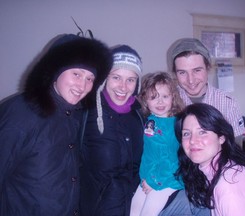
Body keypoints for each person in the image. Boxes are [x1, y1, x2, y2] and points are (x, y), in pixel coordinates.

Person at [0, 33, 112, 216]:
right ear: (55, 71)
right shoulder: (20, 112)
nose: (82, 85)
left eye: (90, 78)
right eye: (76, 74)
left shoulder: (75, 115)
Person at [174, 103, 245, 215]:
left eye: (202, 132)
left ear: (221, 137)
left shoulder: (229, 186)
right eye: (186, 134)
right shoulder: (219, 170)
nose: (192, 140)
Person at [80, 45, 144, 216]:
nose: (123, 87)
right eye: (116, 77)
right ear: (104, 79)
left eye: (130, 79)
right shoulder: (85, 112)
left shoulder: (139, 116)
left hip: (134, 208)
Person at [130, 72, 184, 216]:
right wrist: (146, 180)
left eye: (165, 96)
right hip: (147, 178)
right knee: (133, 212)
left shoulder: (176, 124)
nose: (160, 102)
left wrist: (154, 181)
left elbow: (174, 160)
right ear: (145, 100)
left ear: (173, 97)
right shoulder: (149, 120)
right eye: (154, 97)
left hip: (167, 180)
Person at [167, 38, 245, 137]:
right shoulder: (166, 101)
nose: (190, 80)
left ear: (208, 68)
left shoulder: (228, 103)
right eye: (182, 72)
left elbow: (236, 146)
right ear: (175, 73)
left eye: (197, 70)